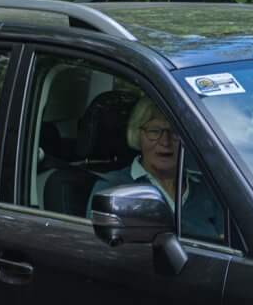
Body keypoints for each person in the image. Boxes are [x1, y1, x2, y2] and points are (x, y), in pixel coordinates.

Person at [89, 97, 226, 242]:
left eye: (175, 131)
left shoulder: (209, 189)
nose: (165, 141)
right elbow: (101, 249)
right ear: (137, 134)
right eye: (154, 131)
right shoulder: (113, 187)